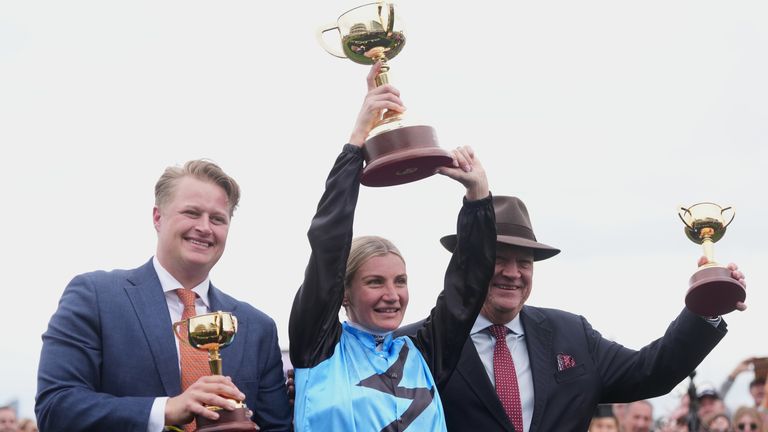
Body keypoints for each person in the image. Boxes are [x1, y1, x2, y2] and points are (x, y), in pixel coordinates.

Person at [396, 193, 747, 431]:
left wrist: (706, 310)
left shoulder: (571, 334)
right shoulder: (418, 347)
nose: (512, 273)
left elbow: (650, 371)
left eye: (524, 262)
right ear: (470, 265)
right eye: (498, 259)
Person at [288, 61, 496, 431]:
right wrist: (357, 141)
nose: (392, 294)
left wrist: (477, 196)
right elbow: (328, 245)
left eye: (400, 281)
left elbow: (467, 290)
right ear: (343, 293)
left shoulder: (422, 351)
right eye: (375, 282)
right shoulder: (319, 346)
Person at [36, 160, 291, 431]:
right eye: (192, 213)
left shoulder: (257, 327)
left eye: (218, 219)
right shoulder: (95, 296)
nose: (205, 227)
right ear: (158, 217)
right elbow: (56, 407)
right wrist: (166, 409)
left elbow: (276, 427)